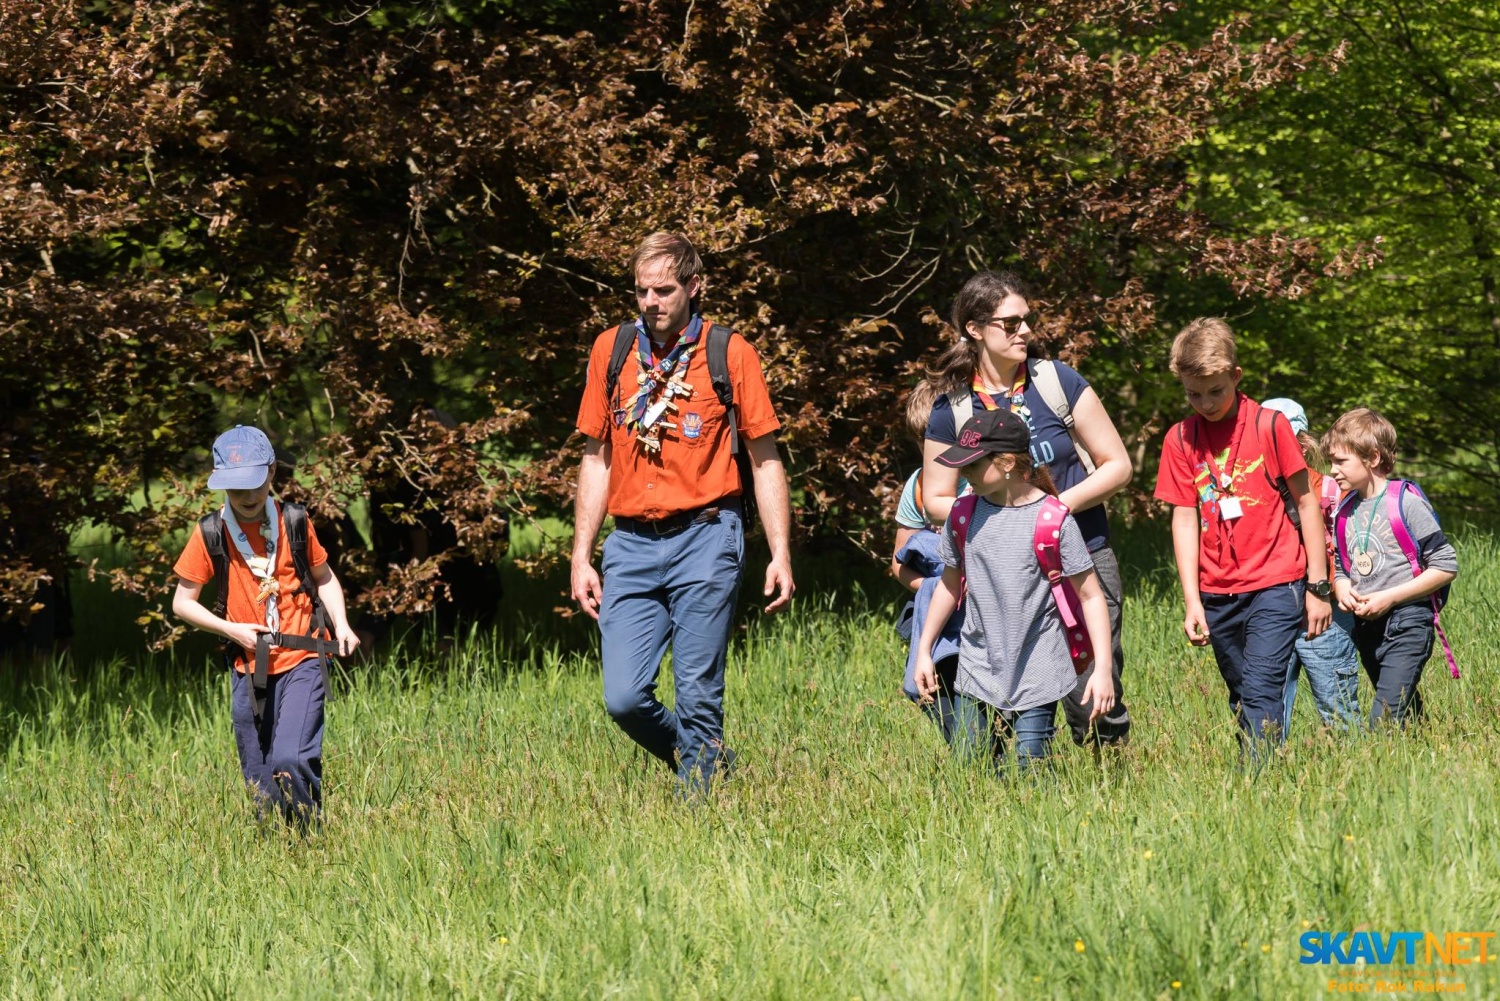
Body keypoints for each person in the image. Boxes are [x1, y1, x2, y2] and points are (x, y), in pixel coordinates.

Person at [571, 231, 795, 794]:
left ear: (695, 287)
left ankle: (699, 807)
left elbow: (766, 460)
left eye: (665, 290)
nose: (651, 301)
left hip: (707, 537)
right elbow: (596, 458)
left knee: (697, 688)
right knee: (623, 698)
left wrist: (780, 553)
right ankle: (708, 763)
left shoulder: (728, 353)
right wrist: (580, 555)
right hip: (630, 545)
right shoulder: (612, 350)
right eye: (642, 290)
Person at [921, 271, 1134, 751]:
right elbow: (933, 497)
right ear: (975, 329)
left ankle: (1109, 789)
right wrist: (997, 512)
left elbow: (1117, 465)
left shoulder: (1056, 381)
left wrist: (1052, 510)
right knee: (1009, 694)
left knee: (1093, 696)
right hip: (1001, 570)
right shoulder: (952, 408)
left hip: (1082, 557)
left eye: (1026, 321)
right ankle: (1023, 785)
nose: (1024, 331)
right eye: (1010, 322)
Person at [1153, 319, 1332, 760]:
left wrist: (1318, 586)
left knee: (1261, 688)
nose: (1205, 403)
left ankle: (1258, 780)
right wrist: (1191, 600)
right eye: (1193, 393)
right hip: (1217, 592)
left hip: (1278, 582)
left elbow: (1307, 503)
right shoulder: (1180, 438)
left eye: (1215, 391)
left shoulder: (1270, 426)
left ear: (1235, 375)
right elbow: (1183, 518)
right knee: (1241, 694)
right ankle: (1263, 766)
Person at [171, 425, 359, 827]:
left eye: (256, 484)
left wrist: (341, 625)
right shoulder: (210, 532)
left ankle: (309, 838)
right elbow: (182, 604)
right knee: (259, 775)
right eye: (237, 489)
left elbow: (324, 578)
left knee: (290, 758)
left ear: (272, 472)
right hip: (247, 665)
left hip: (303, 654)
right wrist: (230, 629)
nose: (249, 497)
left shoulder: (293, 520)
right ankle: (276, 843)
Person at [913, 408, 1115, 770]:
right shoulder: (962, 515)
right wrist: (924, 649)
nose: (964, 473)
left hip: (1039, 666)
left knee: (1030, 766)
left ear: (1006, 463)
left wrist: (1102, 669)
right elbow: (948, 584)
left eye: (973, 465)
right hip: (977, 664)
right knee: (969, 763)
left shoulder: (1052, 520)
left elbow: (1091, 596)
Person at [1324, 408, 1458, 728]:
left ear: (1371, 457)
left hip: (1408, 620)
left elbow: (1445, 564)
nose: (1332, 471)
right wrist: (1342, 588)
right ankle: (1423, 755)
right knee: (1404, 710)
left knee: (1383, 718)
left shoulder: (1405, 502)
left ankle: (1382, 760)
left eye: (1341, 461)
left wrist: (1391, 598)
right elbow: (1342, 566)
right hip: (1367, 627)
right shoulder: (1344, 511)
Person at [1261, 398, 1362, 733]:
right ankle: (1269, 776)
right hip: (1273, 607)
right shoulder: (1254, 493)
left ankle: (1357, 768)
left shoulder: (1330, 488)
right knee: (1269, 710)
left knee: (1338, 704)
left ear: (1303, 443)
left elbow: (1349, 545)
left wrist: (1332, 588)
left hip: (1326, 609)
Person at [891, 382, 967, 741]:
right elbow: (899, 562)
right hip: (939, 603)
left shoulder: (983, 479)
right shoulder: (918, 486)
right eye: (925, 440)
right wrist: (933, 588)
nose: (934, 448)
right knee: (940, 693)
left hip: (986, 603)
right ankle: (970, 760)